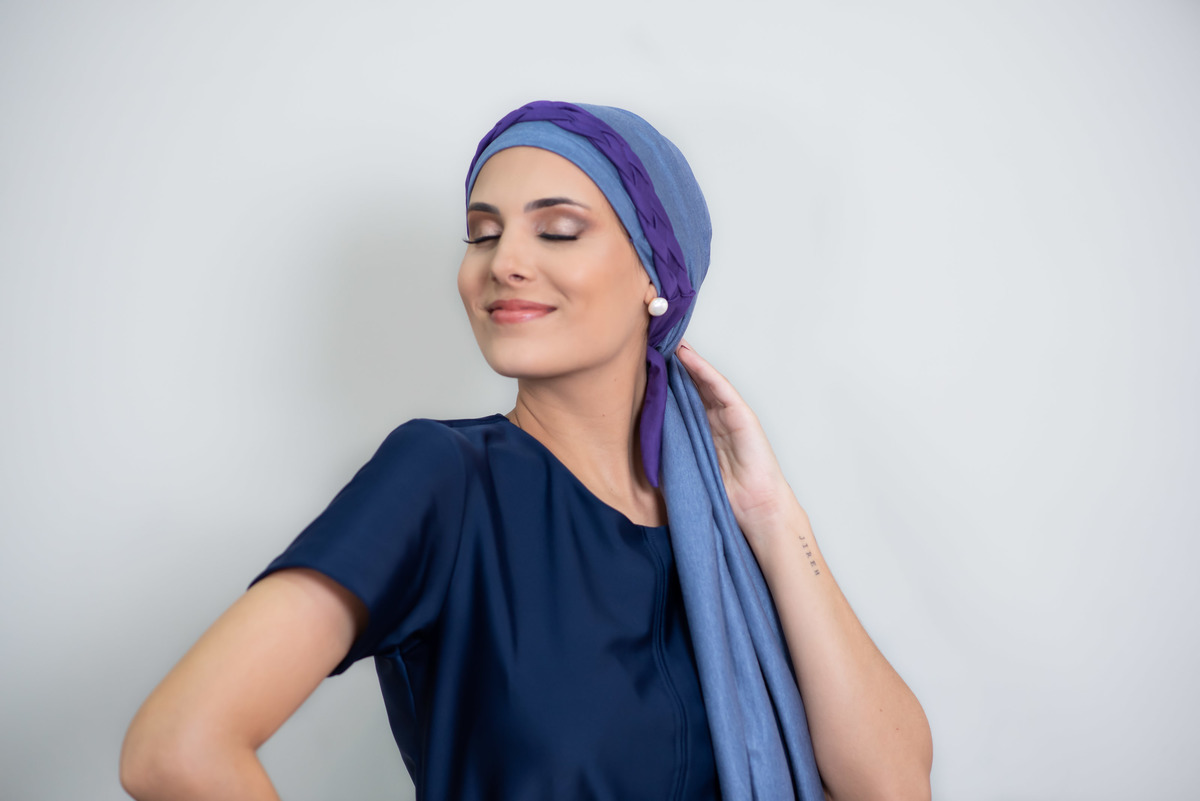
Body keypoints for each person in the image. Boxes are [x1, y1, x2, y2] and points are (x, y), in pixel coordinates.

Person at [120, 101, 932, 801]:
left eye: (558, 230)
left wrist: (772, 515)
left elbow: (892, 784)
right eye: (482, 234)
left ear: (655, 274)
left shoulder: (718, 532)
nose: (504, 262)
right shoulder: (441, 479)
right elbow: (177, 748)